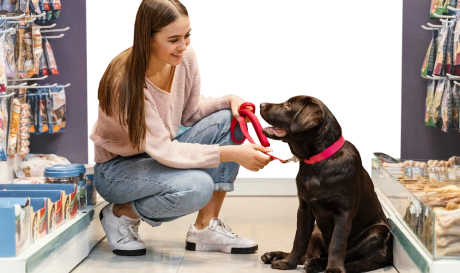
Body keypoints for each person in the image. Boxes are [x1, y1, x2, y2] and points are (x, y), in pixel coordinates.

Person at [89, 0, 273, 257]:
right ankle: (120, 214)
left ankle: (205, 228)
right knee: (196, 187)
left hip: (156, 154)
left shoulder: (183, 59)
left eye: (187, 36)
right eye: (173, 39)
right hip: (117, 172)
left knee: (230, 120)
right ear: (147, 38)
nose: (184, 45)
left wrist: (230, 100)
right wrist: (233, 154)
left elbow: (190, 113)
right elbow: (165, 149)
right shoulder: (125, 83)